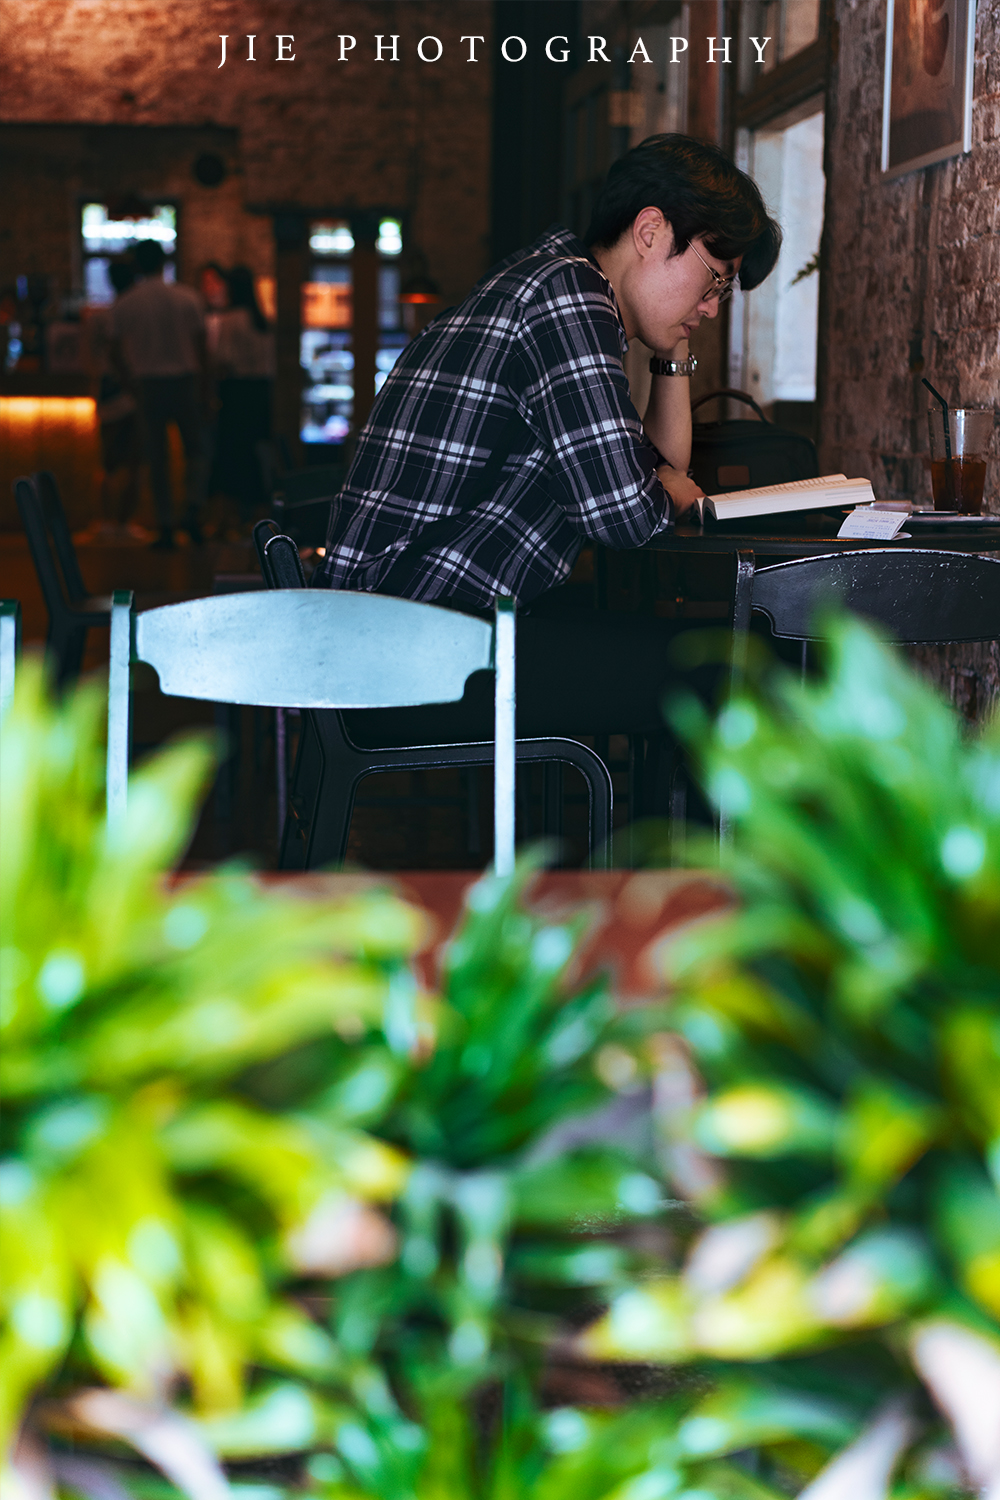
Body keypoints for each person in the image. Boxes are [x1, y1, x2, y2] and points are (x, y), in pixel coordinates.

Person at [315, 134, 781, 751]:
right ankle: (683, 852)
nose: (713, 307)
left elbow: (656, 475)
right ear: (650, 233)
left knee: (695, 654)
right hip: (412, 649)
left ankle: (639, 846)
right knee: (735, 669)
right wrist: (657, 490)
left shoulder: (561, 286)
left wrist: (674, 353)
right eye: (714, 281)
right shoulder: (567, 300)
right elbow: (625, 514)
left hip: (402, 635)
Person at [111, 239, 208, 550]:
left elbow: (114, 351)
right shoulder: (187, 297)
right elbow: (202, 348)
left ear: (137, 265)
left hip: (148, 384)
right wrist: (206, 387)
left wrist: (130, 384)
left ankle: (166, 525)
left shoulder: (127, 302)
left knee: (157, 460)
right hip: (185, 381)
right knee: (197, 452)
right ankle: (192, 510)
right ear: (164, 262)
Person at [84, 259, 145, 538]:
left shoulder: (102, 314)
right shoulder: (131, 311)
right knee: (132, 461)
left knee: (108, 461)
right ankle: (122, 522)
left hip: (109, 390)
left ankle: (107, 521)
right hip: (130, 388)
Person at [212, 265, 275, 523]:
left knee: (236, 454)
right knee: (258, 450)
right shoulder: (263, 320)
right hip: (262, 390)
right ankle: (261, 508)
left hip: (237, 391)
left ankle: (239, 516)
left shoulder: (230, 319)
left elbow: (223, 359)